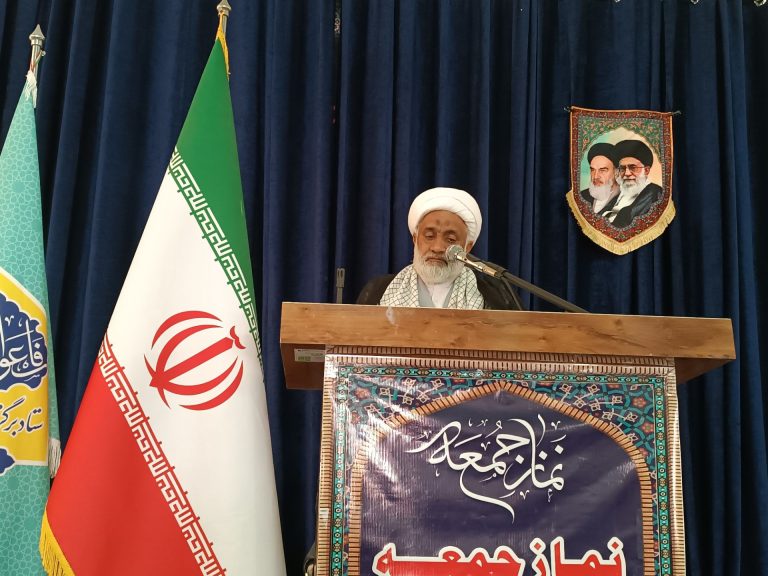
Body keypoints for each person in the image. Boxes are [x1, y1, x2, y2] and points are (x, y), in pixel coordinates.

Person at [356, 187, 521, 310]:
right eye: (429, 236)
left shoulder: (494, 295)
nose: (438, 247)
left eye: (450, 240)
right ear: (415, 239)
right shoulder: (379, 290)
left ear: (467, 247)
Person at [603, 139, 662, 229]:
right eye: (623, 168)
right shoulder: (620, 193)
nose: (627, 173)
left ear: (646, 170)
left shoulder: (655, 194)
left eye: (633, 168)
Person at [579, 142, 620, 215]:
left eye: (602, 170)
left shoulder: (625, 199)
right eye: (593, 170)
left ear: (616, 172)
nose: (595, 176)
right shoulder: (582, 196)